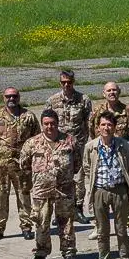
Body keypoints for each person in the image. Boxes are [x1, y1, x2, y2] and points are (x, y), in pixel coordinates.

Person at [21, 110, 78, 259]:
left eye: (52, 123)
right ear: (42, 124)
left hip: (64, 189)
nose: (50, 126)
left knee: (66, 221)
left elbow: (77, 163)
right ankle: (41, 253)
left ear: (57, 123)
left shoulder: (69, 141)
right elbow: (24, 164)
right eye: (46, 123)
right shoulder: (32, 143)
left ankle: (69, 251)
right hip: (41, 190)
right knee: (42, 222)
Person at [85, 113, 129, 259]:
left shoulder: (124, 145)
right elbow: (87, 167)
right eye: (103, 125)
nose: (106, 128)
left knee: (122, 230)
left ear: (114, 127)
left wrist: (126, 187)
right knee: (102, 231)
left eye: (109, 125)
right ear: (98, 127)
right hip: (100, 191)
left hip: (119, 190)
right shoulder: (91, 146)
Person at [0, 88, 39, 241]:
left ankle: (27, 227)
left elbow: (36, 138)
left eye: (14, 96)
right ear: (3, 98)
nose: (11, 99)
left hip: (21, 165)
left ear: (19, 97)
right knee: (0, 198)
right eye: (8, 96)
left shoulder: (28, 116)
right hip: (1, 166)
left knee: (24, 196)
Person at [46, 69, 93, 223]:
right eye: (63, 82)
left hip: (78, 146)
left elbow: (89, 122)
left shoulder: (83, 99)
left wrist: (90, 142)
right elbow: (47, 124)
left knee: (79, 180)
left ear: (73, 82)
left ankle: (77, 209)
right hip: (59, 147)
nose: (66, 85)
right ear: (60, 83)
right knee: (57, 179)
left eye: (69, 82)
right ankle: (59, 211)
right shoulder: (52, 101)